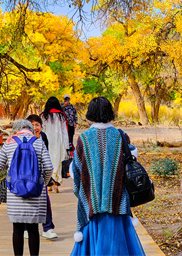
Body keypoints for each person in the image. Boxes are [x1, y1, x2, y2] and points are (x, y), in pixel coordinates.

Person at [70, 97, 145, 256]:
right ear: (110, 112)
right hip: (117, 203)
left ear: (90, 113)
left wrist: (82, 191)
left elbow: (76, 171)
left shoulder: (83, 139)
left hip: (93, 203)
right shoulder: (121, 136)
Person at [0, 119, 53, 256]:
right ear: (31, 129)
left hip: (15, 193)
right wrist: (43, 182)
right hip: (35, 193)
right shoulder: (38, 142)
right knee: (33, 229)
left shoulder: (9, 143)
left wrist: (9, 168)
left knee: (17, 229)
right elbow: (49, 167)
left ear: (15, 130)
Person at [27, 114, 57, 240]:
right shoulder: (23, 138)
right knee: (26, 203)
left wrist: (45, 180)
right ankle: (25, 228)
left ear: (41, 126)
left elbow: (47, 159)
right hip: (26, 177)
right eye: (32, 125)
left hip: (40, 177)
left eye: (37, 125)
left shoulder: (43, 137)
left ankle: (48, 228)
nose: (35, 127)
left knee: (45, 201)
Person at [41, 96, 69, 193]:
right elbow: (64, 131)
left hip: (47, 142)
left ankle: (49, 183)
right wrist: (67, 146)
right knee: (58, 162)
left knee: (47, 162)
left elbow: (42, 130)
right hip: (58, 142)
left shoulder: (44, 116)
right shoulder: (61, 116)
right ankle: (56, 183)